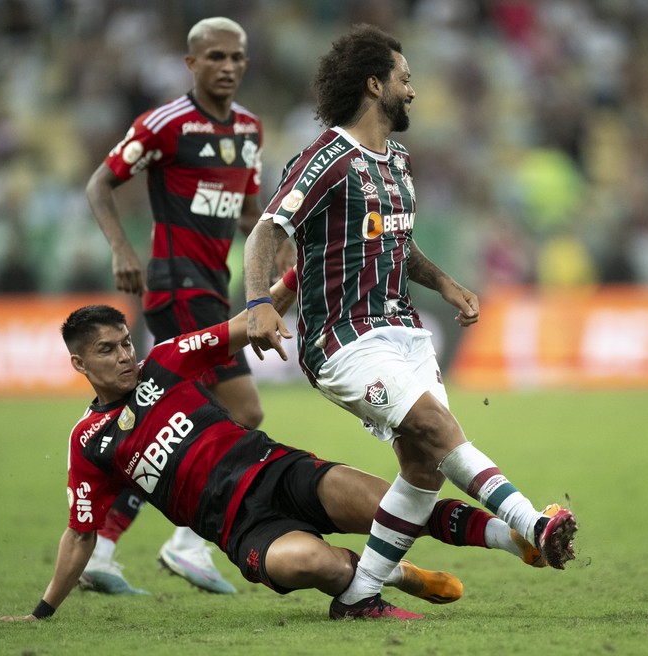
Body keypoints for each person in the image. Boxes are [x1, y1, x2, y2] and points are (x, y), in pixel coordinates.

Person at [243, 24, 578, 620]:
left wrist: (447, 283)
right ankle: (531, 525)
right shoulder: (326, 159)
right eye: (404, 78)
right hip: (343, 340)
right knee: (434, 425)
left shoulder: (395, 159)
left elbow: (398, 244)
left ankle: (359, 595)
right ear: (375, 85)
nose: (413, 91)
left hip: (402, 332)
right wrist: (257, 304)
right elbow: (267, 231)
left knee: (423, 469)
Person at [0, 292, 550, 623]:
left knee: (395, 503)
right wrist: (43, 610)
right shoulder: (90, 441)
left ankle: (514, 539)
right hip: (239, 527)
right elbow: (80, 533)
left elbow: (244, 326)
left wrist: (283, 284)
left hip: (279, 471)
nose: (124, 356)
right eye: (107, 350)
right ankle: (399, 573)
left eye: (124, 342)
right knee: (319, 565)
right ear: (79, 364)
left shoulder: (164, 362)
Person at [83, 16, 279, 595]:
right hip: (175, 286)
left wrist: (284, 236)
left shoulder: (248, 129)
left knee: (170, 427)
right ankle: (188, 544)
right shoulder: (165, 125)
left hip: (213, 288)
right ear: (191, 64)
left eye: (237, 58)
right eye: (215, 57)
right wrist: (122, 249)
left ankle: (103, 547)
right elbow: (99, 183)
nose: (227, 67)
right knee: (245, 412)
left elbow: (246, 214)